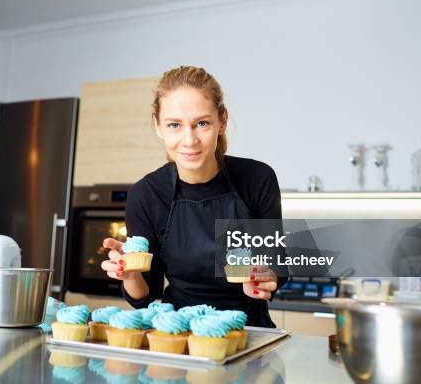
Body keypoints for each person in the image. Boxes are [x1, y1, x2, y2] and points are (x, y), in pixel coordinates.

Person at [101, 66, 286, 327]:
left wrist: (262, 278)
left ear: (222, 120)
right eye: (174, 125)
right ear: (158, 126)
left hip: (249, 331)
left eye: (202, 123)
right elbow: (146, 296)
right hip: (178, 332)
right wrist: (130, 274)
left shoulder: (257, 179)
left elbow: (275, 264)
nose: (189, 140)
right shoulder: (146, 194)